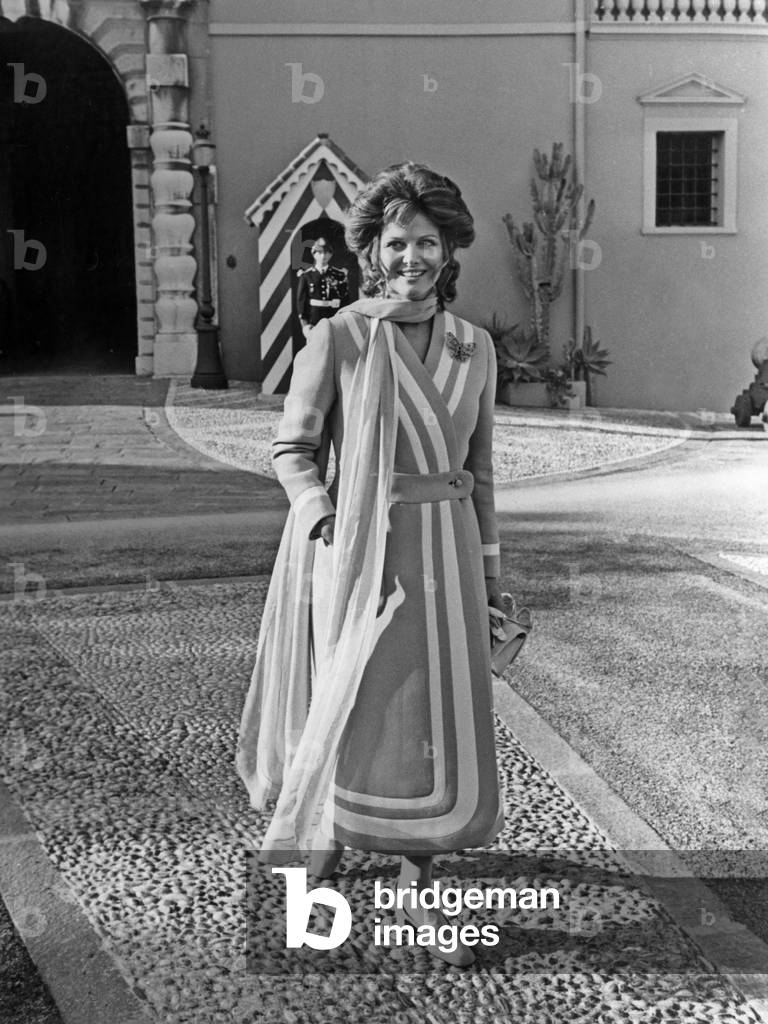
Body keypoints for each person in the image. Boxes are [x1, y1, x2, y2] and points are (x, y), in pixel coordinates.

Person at [236, 162, 504, 967]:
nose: (412, 257)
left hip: (449, 553)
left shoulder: (475, 347)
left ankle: (419, 879)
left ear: (448, 251)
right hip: (361, 552)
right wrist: (324, 520)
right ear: (373, 253)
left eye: (427, 242)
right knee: (355, 702)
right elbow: (293, 448)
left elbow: (482, 471)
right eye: (397, 243)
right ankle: (325, 837)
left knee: (435, 717)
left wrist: (492, 576)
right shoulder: (342, 336)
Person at [296, 237, 349, 337]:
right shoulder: (306, 276)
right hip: (315, 319)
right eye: (319, 253)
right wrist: (305, 325)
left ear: (330, 254)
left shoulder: (339, 274)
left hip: (334, 318)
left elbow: (345, 299)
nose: (323, 256)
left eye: (326, 253)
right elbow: (301, 302)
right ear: (314, 254)